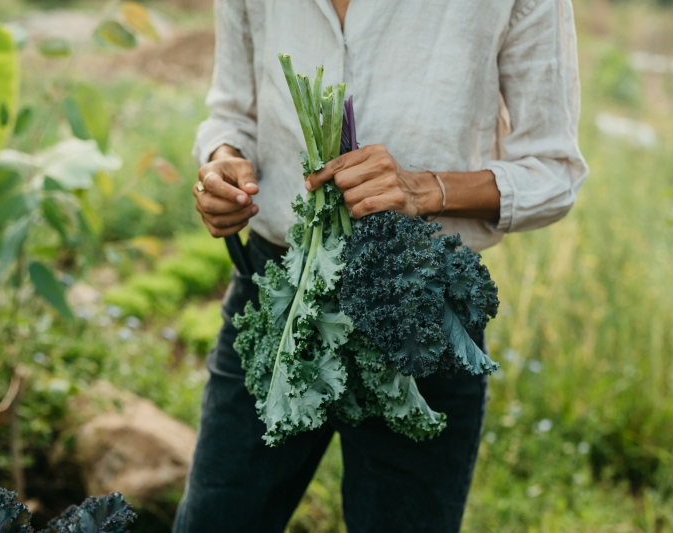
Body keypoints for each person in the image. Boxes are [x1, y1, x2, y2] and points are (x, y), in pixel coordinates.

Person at [174, 0, 588, 531]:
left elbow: (554, 173)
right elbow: (231, 113)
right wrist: (222, 162)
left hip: (419, 305)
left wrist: (427, 187)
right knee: (216, 520)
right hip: (282, 296)